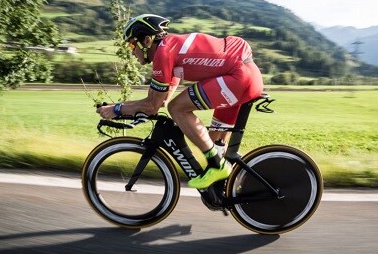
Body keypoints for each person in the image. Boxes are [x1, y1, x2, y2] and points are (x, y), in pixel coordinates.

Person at [96, 14, 263, 189]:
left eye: (131, 43)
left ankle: (217, 165)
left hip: (238, 77)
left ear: (146, 40)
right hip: (246, 76)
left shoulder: (163, 52)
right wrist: (120, 107)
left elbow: (152, 106)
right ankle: (229, 188)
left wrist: (117, 109)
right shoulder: (172, 50)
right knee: (212, 142)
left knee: (177, 108)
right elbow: (160, 101)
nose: (131, 50)